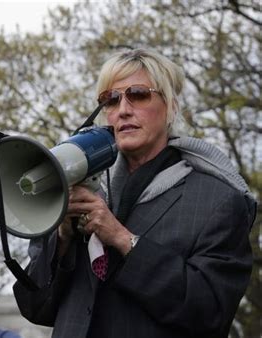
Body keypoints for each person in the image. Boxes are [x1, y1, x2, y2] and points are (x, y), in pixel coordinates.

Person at [13, 48, 256, 338]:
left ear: (171, 106)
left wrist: (123, 240)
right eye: (111, 100)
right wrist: (62, 238)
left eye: (138, 94)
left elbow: (211, 312)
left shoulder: (218, 200)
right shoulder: (81, 187)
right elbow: (34, 307)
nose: (123, 109)